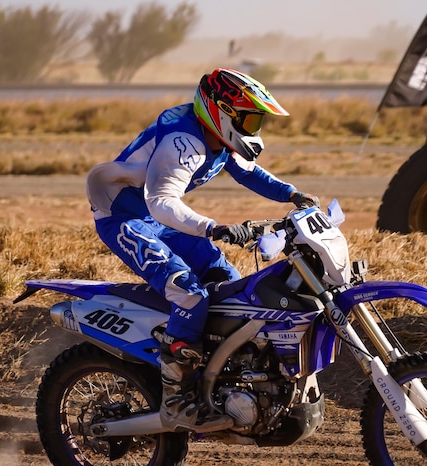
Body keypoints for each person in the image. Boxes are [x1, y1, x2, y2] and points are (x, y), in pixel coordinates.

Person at [86, 68, 319, 432]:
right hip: (124, 218)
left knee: (228, 284)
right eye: (250, 118)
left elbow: (249, 172)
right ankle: (176, 397)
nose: (255, 128)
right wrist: (213, 227)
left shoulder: (219, 139)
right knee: (189, 293)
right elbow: (162, 201)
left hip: (160, 218)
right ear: (222, 111)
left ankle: (220, 378)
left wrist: (292, 195)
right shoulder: (185, 144)